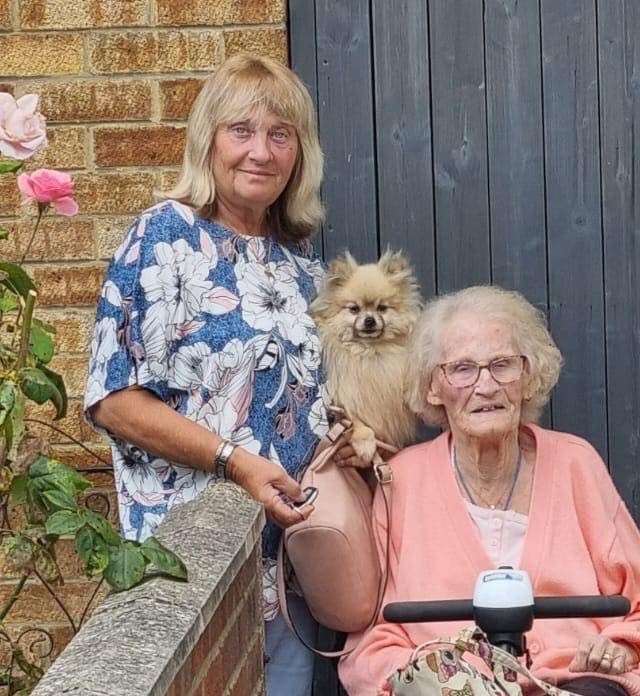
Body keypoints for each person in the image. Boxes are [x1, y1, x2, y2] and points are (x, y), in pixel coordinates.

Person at [84, 53, 334, 695]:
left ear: (299, 155)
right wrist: (233, 460)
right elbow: (113, 400)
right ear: (209, 142)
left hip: (289, 569)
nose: (261, 151)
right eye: (241, 131)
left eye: (281, 135)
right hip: (192, 564)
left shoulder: (302, 269)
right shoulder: (165, 237)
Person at [338, 285, 640, 696]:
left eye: (502, 365)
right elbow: (371, 642)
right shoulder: (402, 480)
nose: (486, 386)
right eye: (462, 369)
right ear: (433, 387)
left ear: (528, 377)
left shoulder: (575, 463)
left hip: (574, 683)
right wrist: (435, 676)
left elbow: (637, 601)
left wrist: (618, 648)